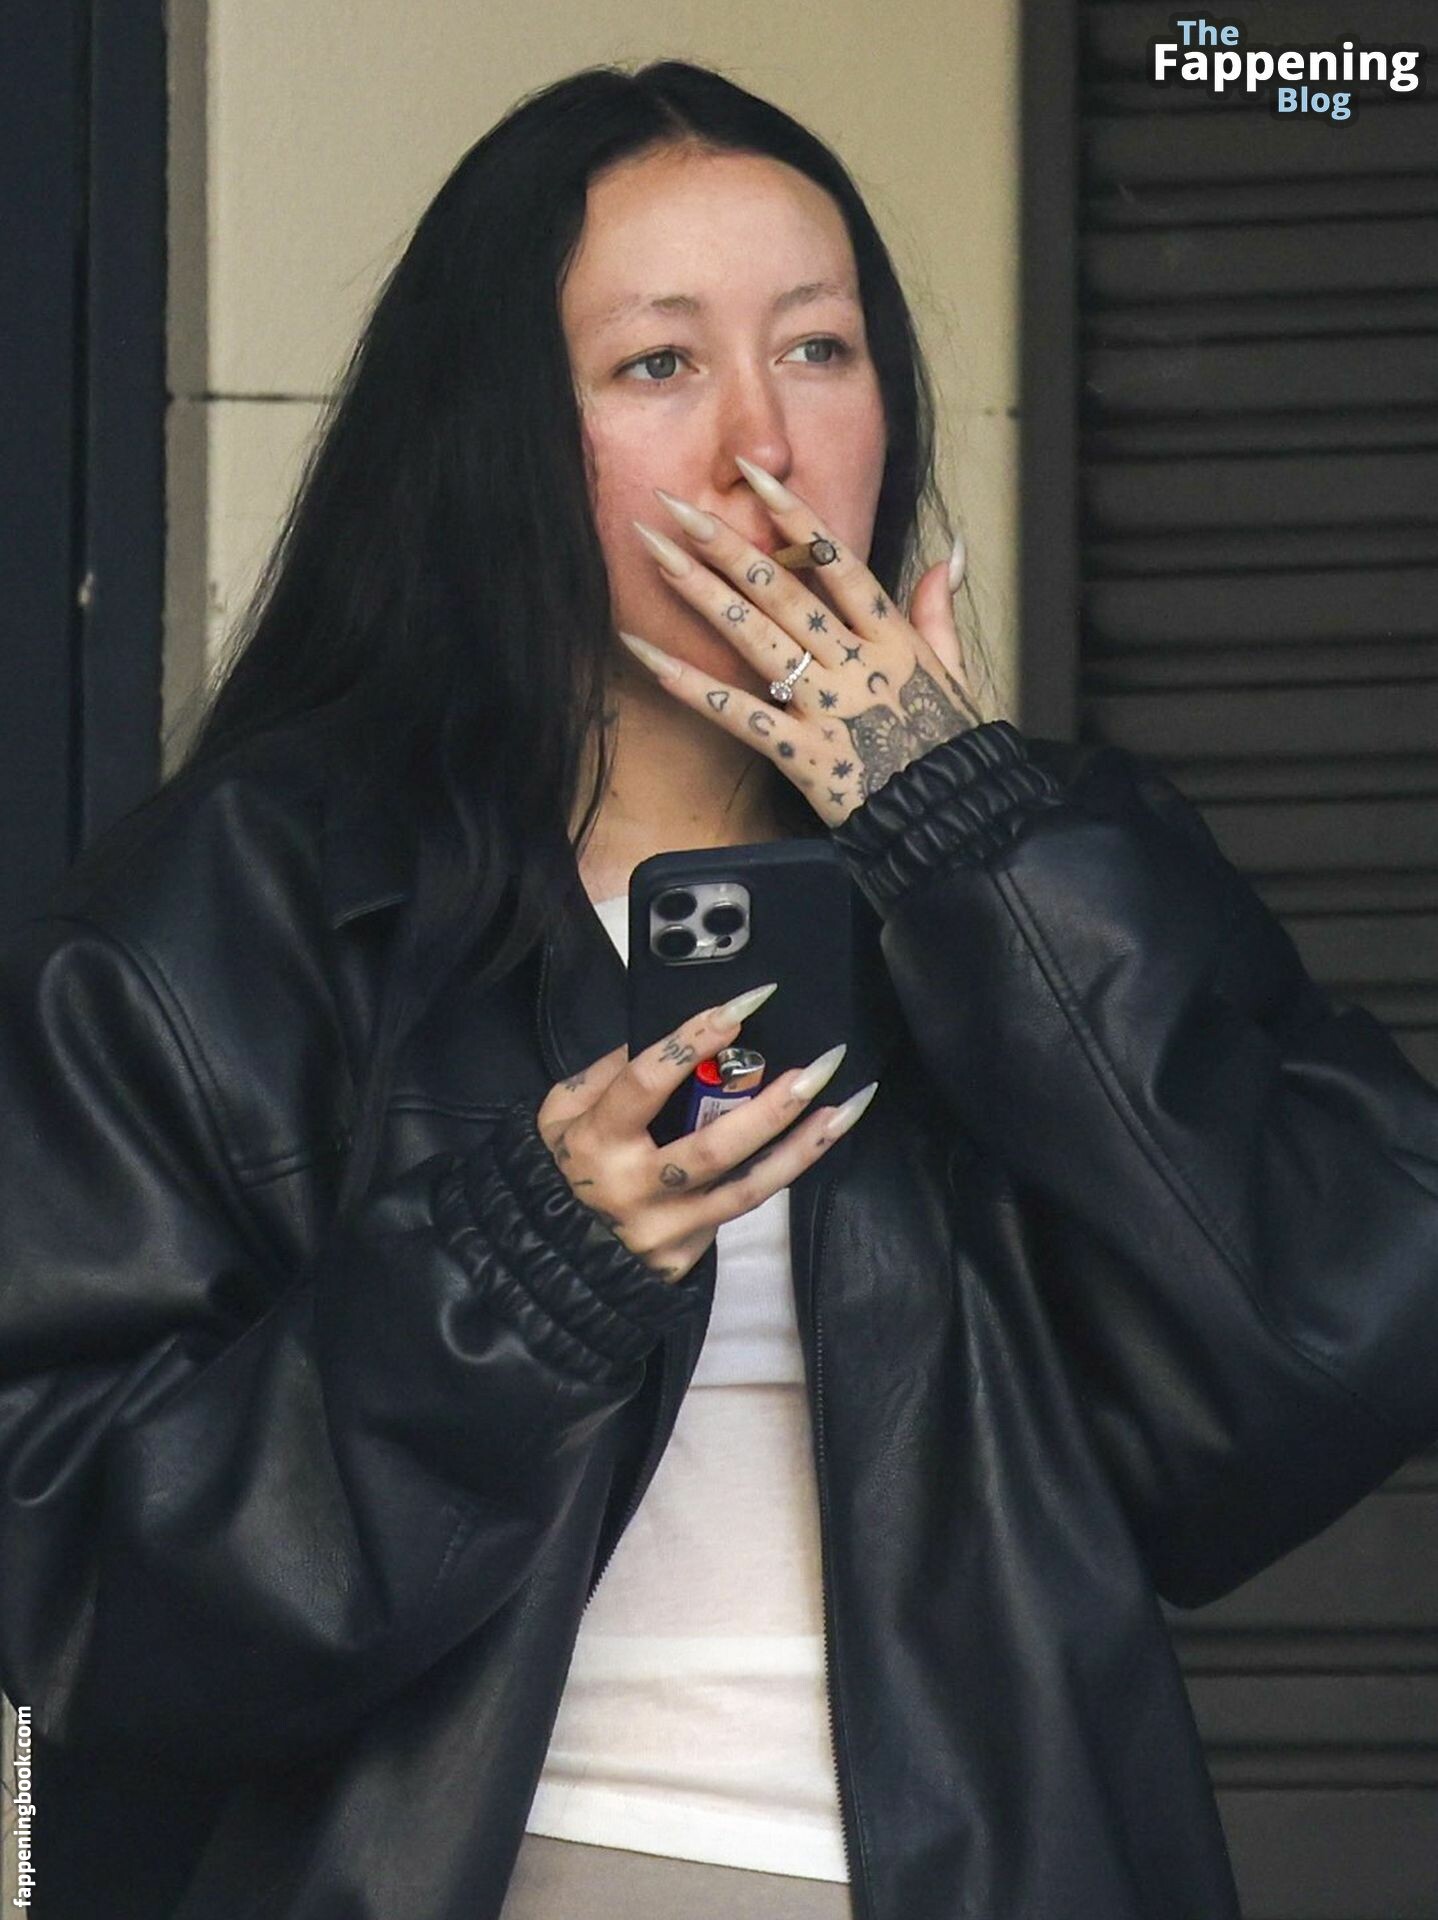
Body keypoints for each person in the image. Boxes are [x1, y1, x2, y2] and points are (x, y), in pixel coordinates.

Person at [1, 58, 1435, 1920]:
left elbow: (1326, 1354)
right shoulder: (248, 913)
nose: (761, 443)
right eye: (657, 364)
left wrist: (963, 844)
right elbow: (90, 1600)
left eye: (819, 349)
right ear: (498, 438)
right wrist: (526, 1265)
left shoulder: (1039, 863)